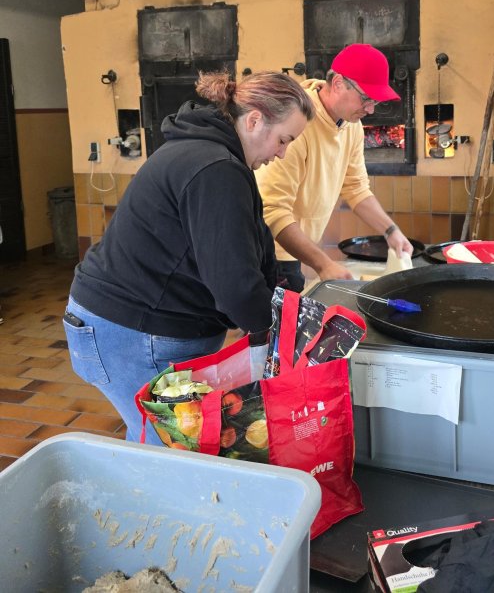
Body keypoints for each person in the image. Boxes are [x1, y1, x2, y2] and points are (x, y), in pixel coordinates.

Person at [63, 70, 314, 444]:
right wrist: (281, 333)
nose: (282, 153)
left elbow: (240, 245)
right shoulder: (216, 168)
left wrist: (280, 294)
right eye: (283, 140)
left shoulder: (213, 155)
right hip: (134, 332)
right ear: (254, 120)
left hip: (125, 324)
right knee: (172, 454)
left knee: (155, 444)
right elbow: (234, 284)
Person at [256, 43, 413, 291]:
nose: (371, 109)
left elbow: (356, 188)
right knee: (278, 315)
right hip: (269, 251)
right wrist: (324, 264)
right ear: (338, 83)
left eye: (375, 102)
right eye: (366, 98)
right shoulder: (296, 123)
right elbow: (272, 210)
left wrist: (391, 231)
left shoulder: (352, 126)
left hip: (292, 250)